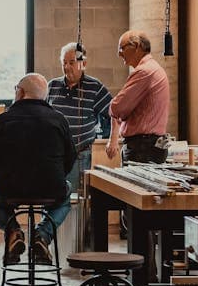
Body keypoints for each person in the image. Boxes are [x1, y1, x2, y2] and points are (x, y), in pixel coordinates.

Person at [0, 73, 76, 265]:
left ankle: (14, 231)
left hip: (10, 190)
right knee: (65, 197)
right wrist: (56, 176)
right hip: (51, 188)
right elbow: (71, 158)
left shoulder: (2, 121)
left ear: (20, 92)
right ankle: (43, 234)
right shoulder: (59, 120)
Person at [47, 43, 112, 195]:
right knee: (51, 199)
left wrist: (113, 138)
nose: (67, 67)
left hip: (79, 156)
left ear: (84, 63)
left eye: (71, 62)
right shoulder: (52, 86)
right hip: (54, 157)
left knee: (74, 201)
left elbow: (114, 113)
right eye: (64, 63)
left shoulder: (94, 86)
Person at [106, 30, 170, 164]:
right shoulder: (154, 68)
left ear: (136, 46)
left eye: (122, 48)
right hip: (150, 146)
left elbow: (117, 108)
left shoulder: (144, 71)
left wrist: (118, 110)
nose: (119, 53)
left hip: (143, 148)